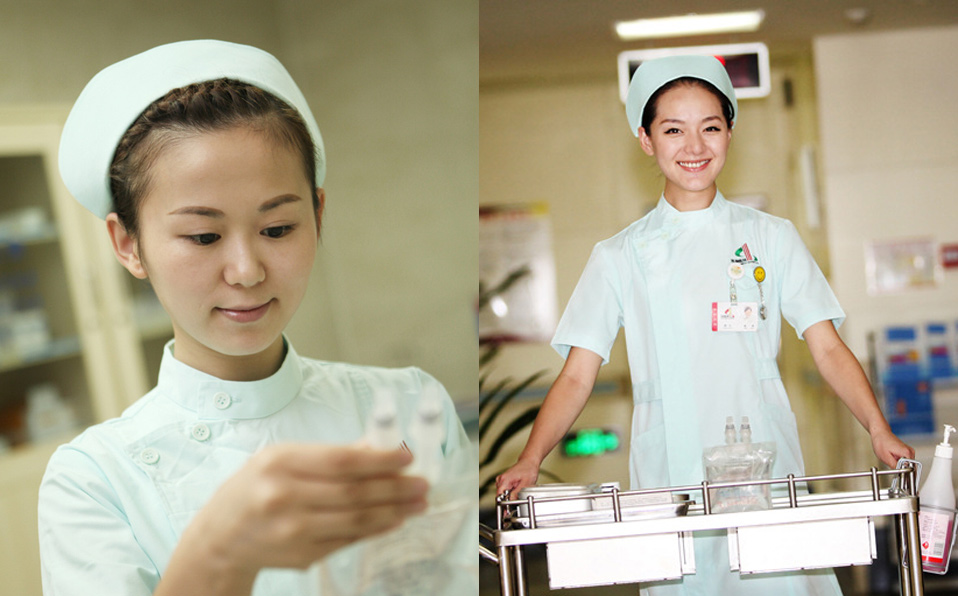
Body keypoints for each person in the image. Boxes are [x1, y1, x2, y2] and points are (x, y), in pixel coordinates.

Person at [39, 40, 474, 596]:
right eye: (203, 236)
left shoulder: (412, 407)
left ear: (317, 214)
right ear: (128, 244)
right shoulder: (95, 480)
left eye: (277, 229)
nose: (246, 271)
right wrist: (220, 551)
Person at [495, 55, 913, 595]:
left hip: (764, 455)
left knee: (778, 580)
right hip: (670, 464)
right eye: (674, 130)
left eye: (710, 128)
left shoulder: (771, 237)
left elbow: (826, 347)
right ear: (646, 139)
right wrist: (531, 458)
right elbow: (578, 375)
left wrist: (877, 429)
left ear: (729, 134)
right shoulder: (618, 256)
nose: (694, 147)